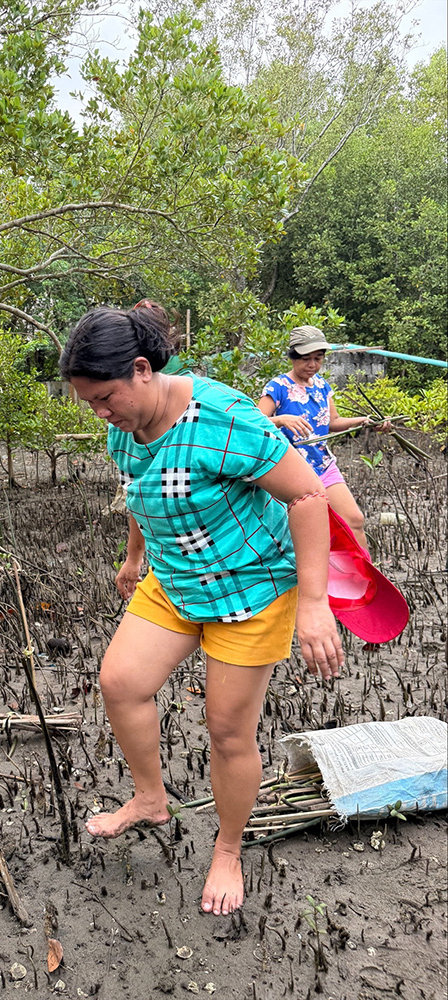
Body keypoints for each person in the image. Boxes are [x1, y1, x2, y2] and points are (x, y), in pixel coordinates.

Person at [60, 305, 343, 917]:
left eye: (105, 397)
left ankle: (229, 849)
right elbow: (140, 491)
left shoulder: (224, 417)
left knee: (226, 730)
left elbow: (308, 495)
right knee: (121, 682)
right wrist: (134, 555)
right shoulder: (123, 425)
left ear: (142, 370)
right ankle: (149, 799)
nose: (100, 413)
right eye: (89, 403)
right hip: (176, 578)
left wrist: (315, 603)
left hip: (250, 585)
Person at [258, 326, 389, 551]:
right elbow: (254, 421)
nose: (312, 365)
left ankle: (367, 580)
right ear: (292, 357)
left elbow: (332, 422)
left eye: (318, 359)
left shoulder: (321, 385)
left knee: (354, 520)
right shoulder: (278, 387)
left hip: (322, 463)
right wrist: (281, 420)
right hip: (291, 469)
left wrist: (364, 421)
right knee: (300, 534)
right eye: (306, 359)